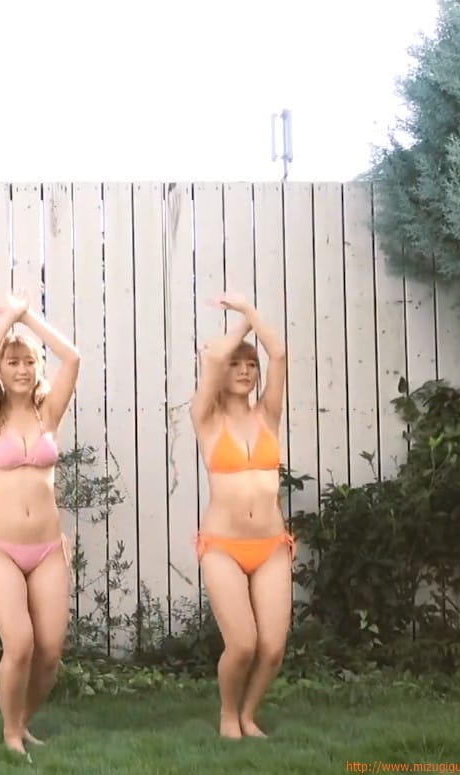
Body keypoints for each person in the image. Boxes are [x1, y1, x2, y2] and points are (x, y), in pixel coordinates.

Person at [0, 292, 81, 755]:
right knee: (19, 644)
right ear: (0, 368)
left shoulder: (47, 412)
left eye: (29, 361)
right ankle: (11, 735)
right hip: (2, 548)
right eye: (12, 362)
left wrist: (29, 318)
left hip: (48, 547)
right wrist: (7, 321)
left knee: (49, 653)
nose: (22, 369)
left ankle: (21, 721)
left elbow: (73, 358)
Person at [189, 292, 291, 739]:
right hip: (223, 547)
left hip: (271, 546)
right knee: (243, 643)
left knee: (272, 648)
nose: (246, 370)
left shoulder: (268, 415)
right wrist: (239, 331)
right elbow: (212, 358)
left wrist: (251, 312)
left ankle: (249, 715)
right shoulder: (206, 419)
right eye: (237, 364)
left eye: (251, 365)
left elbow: (279, 354)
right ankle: (228, 714)